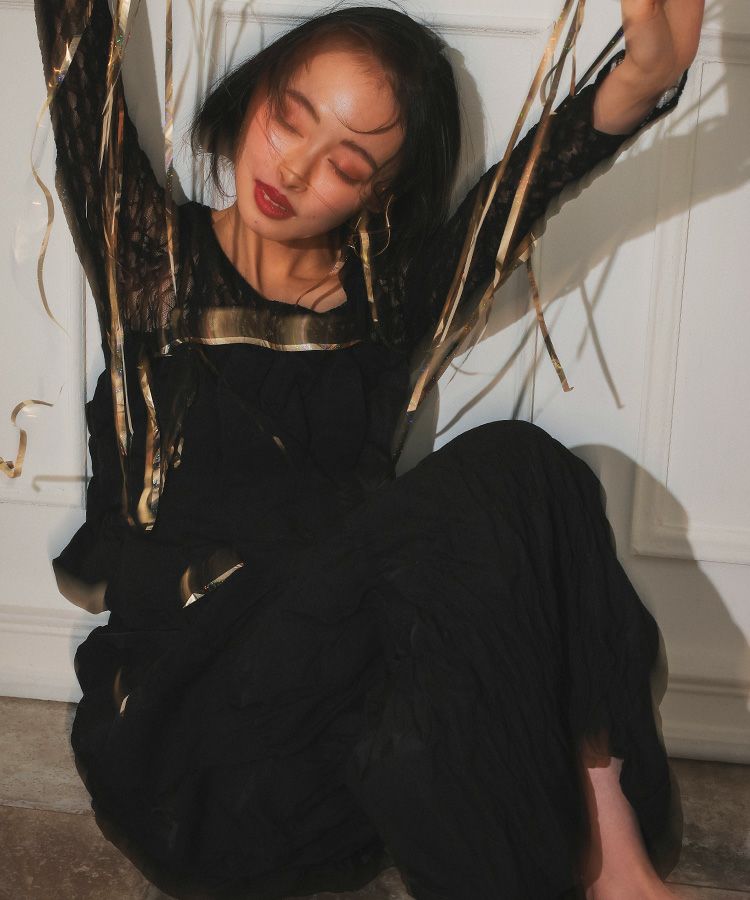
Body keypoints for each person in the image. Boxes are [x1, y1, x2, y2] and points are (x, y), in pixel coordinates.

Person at [34, 0, 703, 898]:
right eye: (289, 118)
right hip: (195, 739)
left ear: (379, 194)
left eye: (347, 164)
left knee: (527, 474)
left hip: (341, 752)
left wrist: (644, 78)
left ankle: (613, 859)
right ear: (253, 96)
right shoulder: (150, 261)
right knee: (492, 485)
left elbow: (529, 184)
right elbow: (82, 73)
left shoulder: (391, 304)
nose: (294, 168)